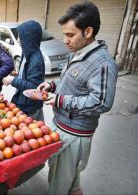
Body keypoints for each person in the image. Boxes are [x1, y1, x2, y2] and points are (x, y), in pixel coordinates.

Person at [36, 1, 118, 194]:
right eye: (64, 34)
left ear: (88, 32)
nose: (65, 40)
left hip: (74, 135)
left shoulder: (103, 64)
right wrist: (52, 85)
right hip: (62, 125)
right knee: (69, 180)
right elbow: (71, 82)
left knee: (58, 183)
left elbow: (101, 102)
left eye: (70, 35)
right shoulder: (78, 52)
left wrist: (60, 100)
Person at [3, 20, 45, 120]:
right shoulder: (26, 53)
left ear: (29, 39)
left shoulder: (36, 60)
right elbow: (26, 75)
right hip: (23, 102)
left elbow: (34, 88)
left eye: (20, 37)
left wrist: (13, 80)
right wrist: (16, 75)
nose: (17, 40)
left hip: (30, 107)